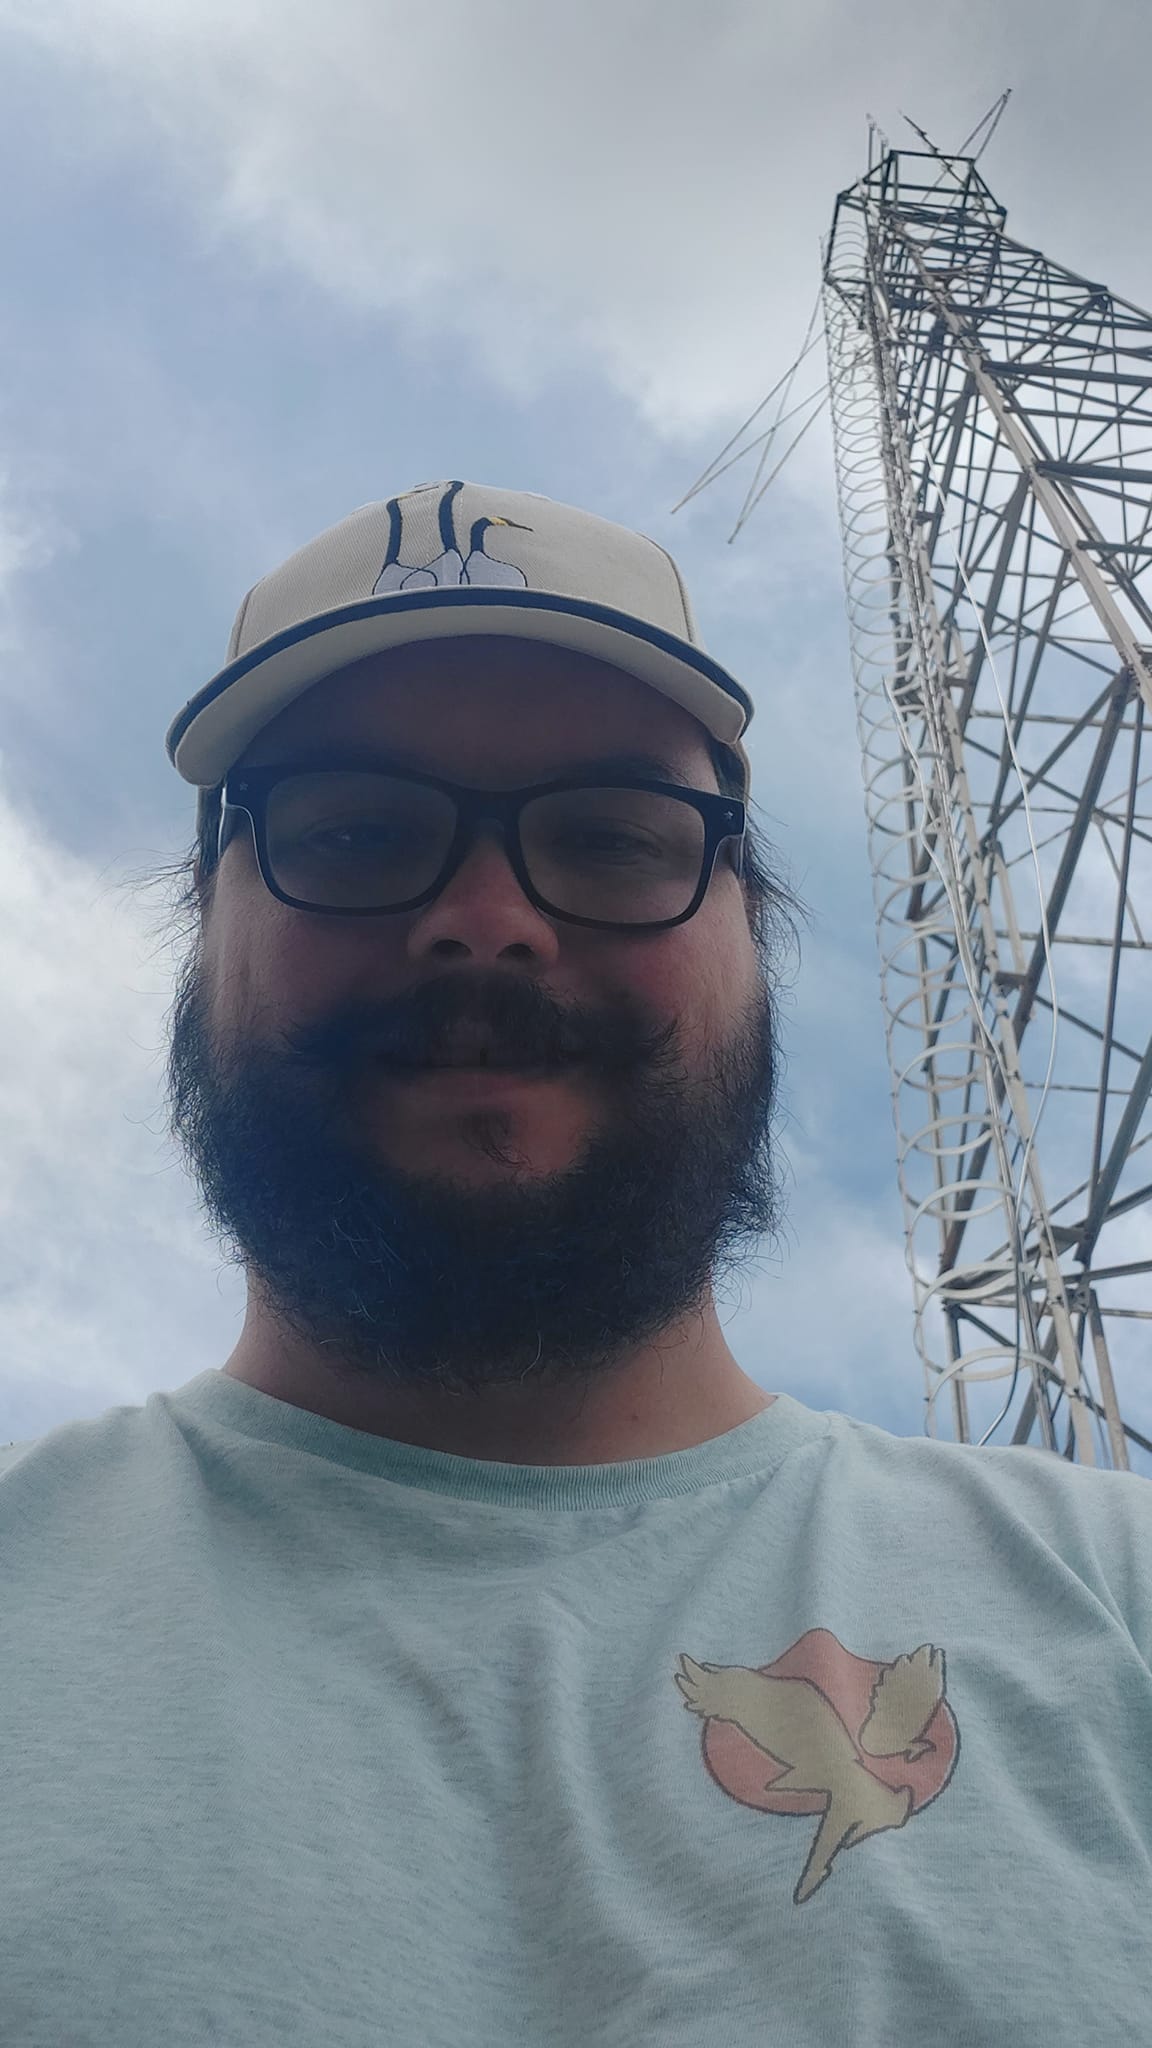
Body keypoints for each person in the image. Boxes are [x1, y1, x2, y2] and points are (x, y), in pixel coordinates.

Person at [2, 479, 1149, 2047]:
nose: (487, 922)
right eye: (353, 828)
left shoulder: (1119, 1602)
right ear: (207, 925)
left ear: (759, 935)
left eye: (612, 839)